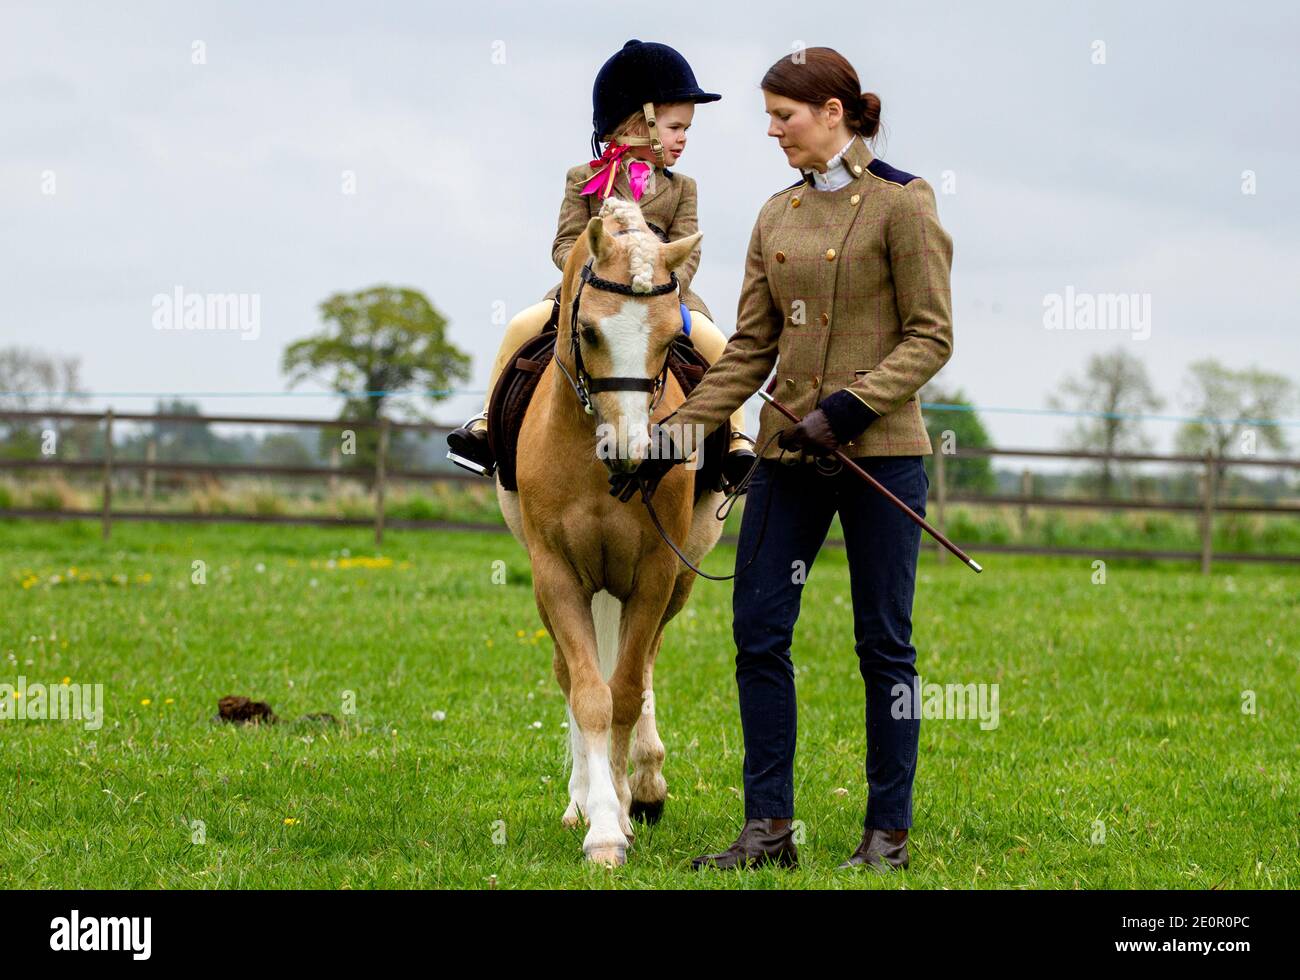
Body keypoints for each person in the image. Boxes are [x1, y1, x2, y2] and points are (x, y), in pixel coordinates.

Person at [612, 47, 954, 872]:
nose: (771, 131)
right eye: (768, 117)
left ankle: (888, 837)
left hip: (883, 455)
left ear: (834, 112)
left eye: (784, 116)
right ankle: (768, 832)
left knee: (885, 646)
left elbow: (932, 336)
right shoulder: (775, 214)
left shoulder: (904, 205)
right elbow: (750, 350)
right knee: (758, 632)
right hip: (786, 460)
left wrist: (845, 408)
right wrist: (675, 436)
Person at [446, 39, 756, 488]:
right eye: (674, 127)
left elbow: (690, 250)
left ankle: (736, 440)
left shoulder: (683, 188)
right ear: (640, 122)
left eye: (686, 128)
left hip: (665, 298)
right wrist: (595, 269)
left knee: (714, 341)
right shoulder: (584, 180)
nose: (683, 138)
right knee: (521, 324)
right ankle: (484, 424)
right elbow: (564, 243)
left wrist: (661, 286)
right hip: (588, 297)